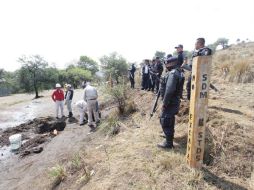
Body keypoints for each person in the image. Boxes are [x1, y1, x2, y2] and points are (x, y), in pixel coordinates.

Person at [158, 57, 184, 149]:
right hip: (173, 101)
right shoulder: (177, 72)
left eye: (166, 63)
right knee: (169, 119)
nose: (165, 65)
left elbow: (169, 90)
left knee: (166, 120)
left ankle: (168, 143)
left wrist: (165, 103)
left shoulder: (173, 74)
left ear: (171, 64)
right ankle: (168, 136)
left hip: (170, 101)